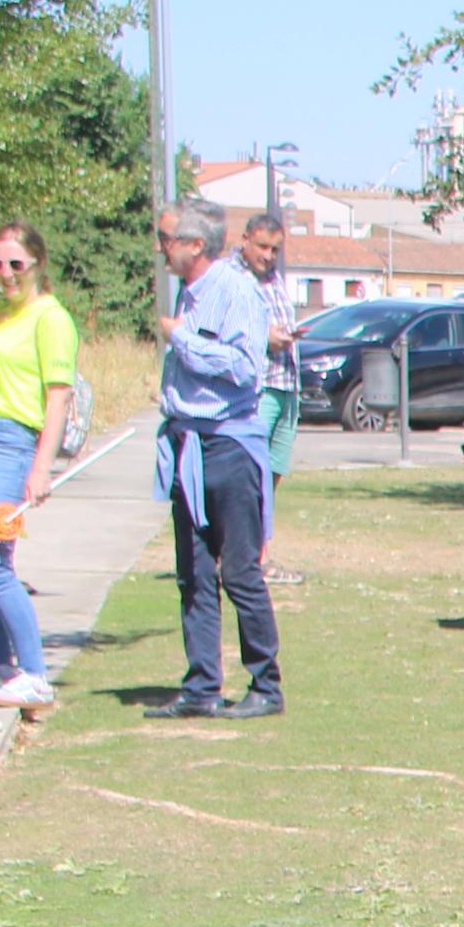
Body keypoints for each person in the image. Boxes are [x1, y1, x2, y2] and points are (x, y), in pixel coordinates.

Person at [150, 200, 281, 720]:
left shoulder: (236, 290)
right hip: (190, 447)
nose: (159, 247)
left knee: (240, 570)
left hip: (229, 445)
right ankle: (202, 684)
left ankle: (266, 686)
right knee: (195, 573)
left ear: (194, 245)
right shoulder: (191, 291)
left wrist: (181, 339)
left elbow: (245, 368)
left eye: (166, 238)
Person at [0, 220, 78, 712]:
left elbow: (59, 395)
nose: (5, 274)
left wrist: (40, 467)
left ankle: (35, 673)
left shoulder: (50, 318)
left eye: (15, 264)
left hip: (9, 444)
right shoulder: (2, 314)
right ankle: (1, 665)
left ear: (37, 265)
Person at [242, 210, 307, 589]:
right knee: (250, 475)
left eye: (275, 249)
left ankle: (261, 553)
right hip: (259, 387)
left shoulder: (275, 279)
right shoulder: (235, 279)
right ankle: (242, 556)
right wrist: (264, 336)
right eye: (263, 247)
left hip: (287, 384)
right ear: (246, 239)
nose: (268, 256)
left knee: (273, 473)